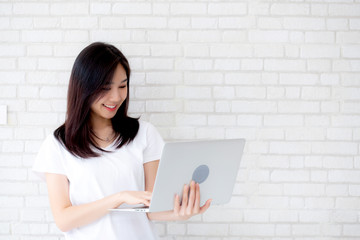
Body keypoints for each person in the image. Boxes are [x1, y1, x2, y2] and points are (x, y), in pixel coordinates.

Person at [32, 42, 211, 240]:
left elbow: (151, 209)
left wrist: (181, 213)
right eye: (106, 87)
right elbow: (64, 219)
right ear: (84, 88)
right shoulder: (58, 144)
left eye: (123, 86)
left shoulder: (144, 134)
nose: (116, 97)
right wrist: (118, 198)